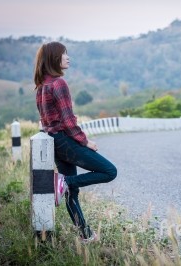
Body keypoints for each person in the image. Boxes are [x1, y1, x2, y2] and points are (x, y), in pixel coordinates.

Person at [34, 42, 117, 243]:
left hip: (53, 141)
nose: (68, 58)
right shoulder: (59, 84)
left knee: (72, 193)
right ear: (55, 58)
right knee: (109, 171)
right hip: (65, 140)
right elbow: (68, 122)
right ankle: (61, 183)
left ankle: (85, 235)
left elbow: (48, 120)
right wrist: (85, 141)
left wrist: (63, 122)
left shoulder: (41, 87)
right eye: (64, 54)